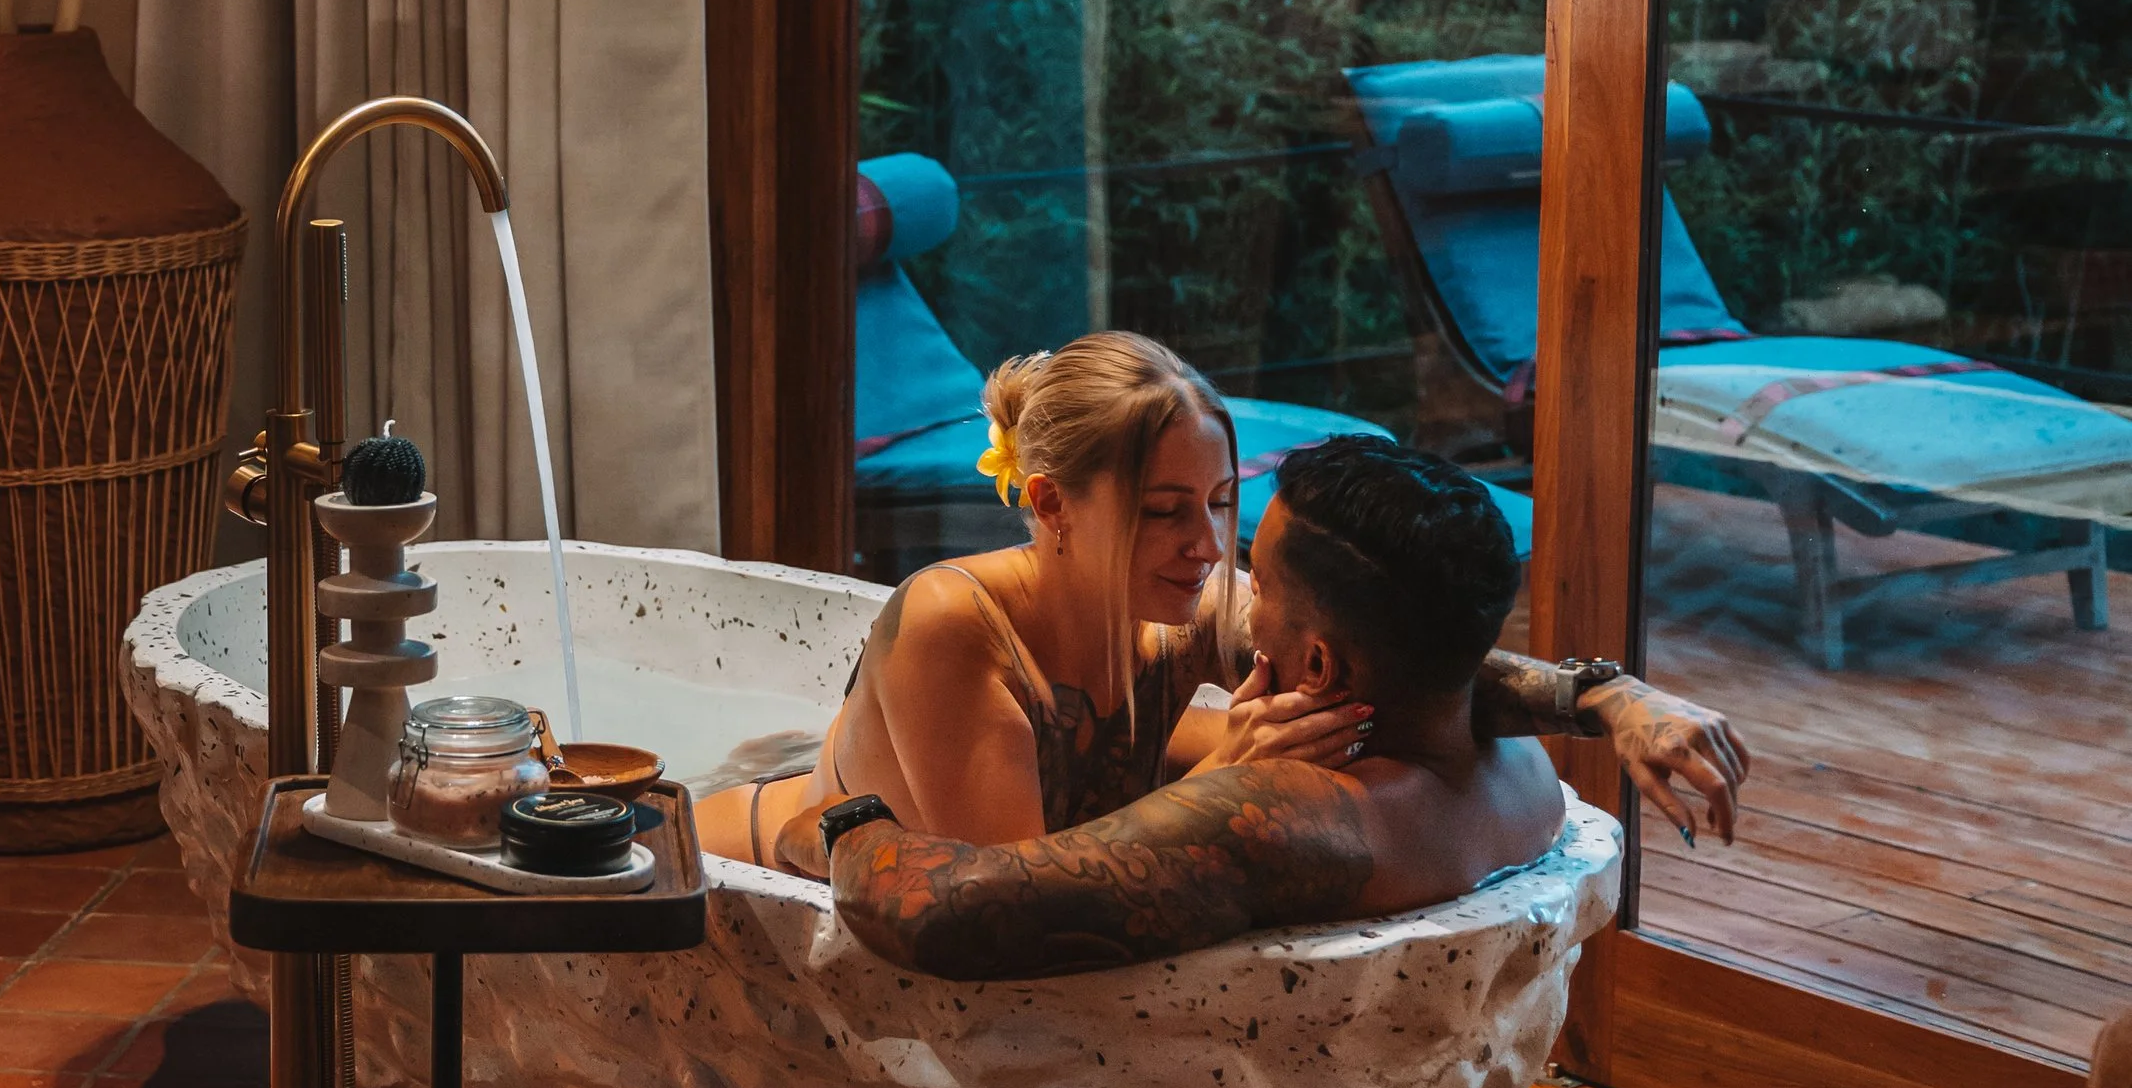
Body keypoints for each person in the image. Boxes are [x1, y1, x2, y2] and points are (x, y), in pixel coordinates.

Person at [700, 328, 1744, 874]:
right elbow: (1004, 900)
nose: (1207, 548)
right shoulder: (951, 625)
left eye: (1214, 502)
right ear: (1053, 503)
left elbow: (1389, 649)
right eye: (1163, 513)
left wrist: (1606, 703)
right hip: (733, 871)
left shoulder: (1184, 605)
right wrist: (1225, 783)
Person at [805, 430, 1588, 978]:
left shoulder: (1276, 814)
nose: (1226, 573)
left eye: (1260, 581)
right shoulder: (1522, 772)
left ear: (1316, 665)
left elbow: (950, 915)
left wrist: (848, 818)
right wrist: (1597, 695)